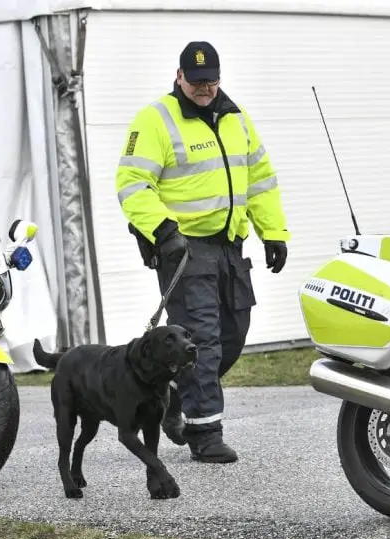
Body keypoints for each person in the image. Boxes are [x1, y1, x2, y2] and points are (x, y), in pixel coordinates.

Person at [116, 41, 289, 464]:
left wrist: (274, 233)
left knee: (234, 334)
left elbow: (261, 180)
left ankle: (173, 392)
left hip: (230, 247)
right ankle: (204, 433)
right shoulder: (155, 119)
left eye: (210, 81)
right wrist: (163, 230)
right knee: (204, 342)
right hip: (184, 251)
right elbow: (132, 184)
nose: (204, 89)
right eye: (195, 83)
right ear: (179, 77)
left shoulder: (236, 117)